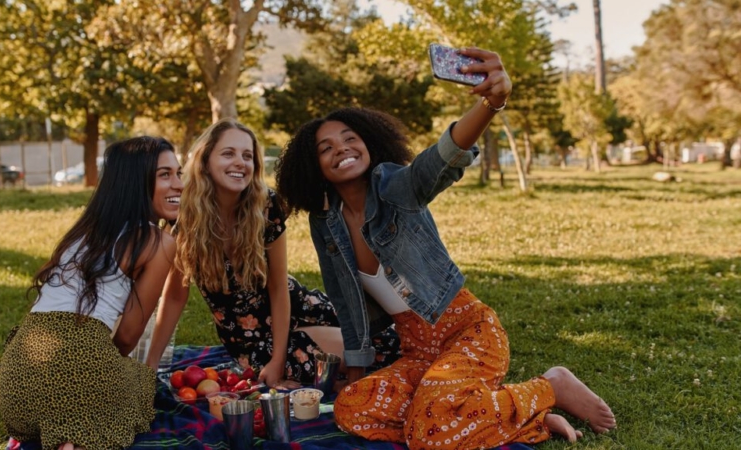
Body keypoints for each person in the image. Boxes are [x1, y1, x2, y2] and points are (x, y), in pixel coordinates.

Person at [275, 46, 617, 449]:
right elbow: (346, 304)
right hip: (418, 351)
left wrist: (493, 102)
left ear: (369, 144)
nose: (341, 149)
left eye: (350, 139)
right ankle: (509, 414)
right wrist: (356, 375)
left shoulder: (395, 187)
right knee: (353, 408)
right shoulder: (326, 222)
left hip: (467, 332)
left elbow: (442, 157)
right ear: (314, 166)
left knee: (429, 433)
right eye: (326, 148)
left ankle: (550, 386)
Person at [145, 119, 399, 388]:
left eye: (247, 156)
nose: (240, 162)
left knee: (392, 342)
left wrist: (278, 361)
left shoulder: (266, 205)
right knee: (357, 356)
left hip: (297, 307)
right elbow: (174, 295)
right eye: (228, 153)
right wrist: (151, 363)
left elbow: (278, 287)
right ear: (206, 160)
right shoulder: (183, 215)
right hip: (250, 341)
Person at [0, 137, 183, 450]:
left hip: (16, 381)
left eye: (179, 173)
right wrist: (113, 376)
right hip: (82, 365)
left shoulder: (83, 232)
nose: (178, 184)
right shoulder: (158, 242)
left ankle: (66, 428)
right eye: (165, 175)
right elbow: (127, 338)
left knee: (81, 390)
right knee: (138, 385)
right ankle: (78, 435)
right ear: (136, 182)